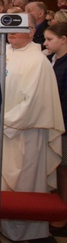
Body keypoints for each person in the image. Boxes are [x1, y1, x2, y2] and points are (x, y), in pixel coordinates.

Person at [0, 13, 63, 241]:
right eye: (9, 25)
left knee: (23, 182)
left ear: (32, 31)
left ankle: (21, 231)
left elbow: (33, 102)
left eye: (19, 26)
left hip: (22, 133)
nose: (12, 31)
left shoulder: (37, 61)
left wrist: (2, 123)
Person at [45, 22, 67, 230]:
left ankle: (63, 212)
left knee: (64, 170)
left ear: (64, 40)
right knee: (58, 168)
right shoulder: (50, 59)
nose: (45, 43)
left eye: (50, 39)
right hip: (53, 119)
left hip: (63, 121)